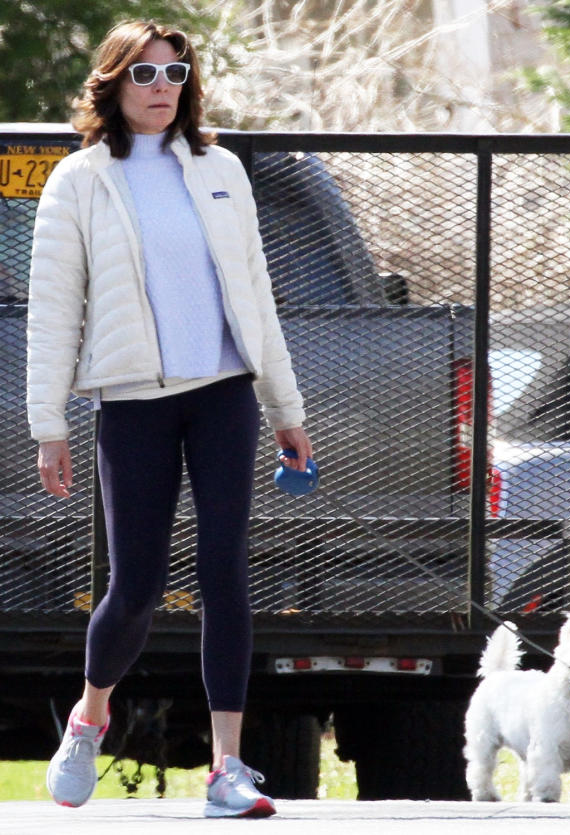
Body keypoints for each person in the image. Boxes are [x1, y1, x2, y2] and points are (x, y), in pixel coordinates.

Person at [26, 19, 313, 819]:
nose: (161, 90)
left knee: (227, 569)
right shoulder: (79, 181)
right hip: (133, 402)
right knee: (137, 586)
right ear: (113, 83)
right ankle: (90, 714)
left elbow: (256, 296)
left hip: (223, 392)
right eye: (144, 75)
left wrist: (286, 409)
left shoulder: (220, 169)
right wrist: (48, 423)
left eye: (175, 76)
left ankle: (228, 766)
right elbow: (54, 312)